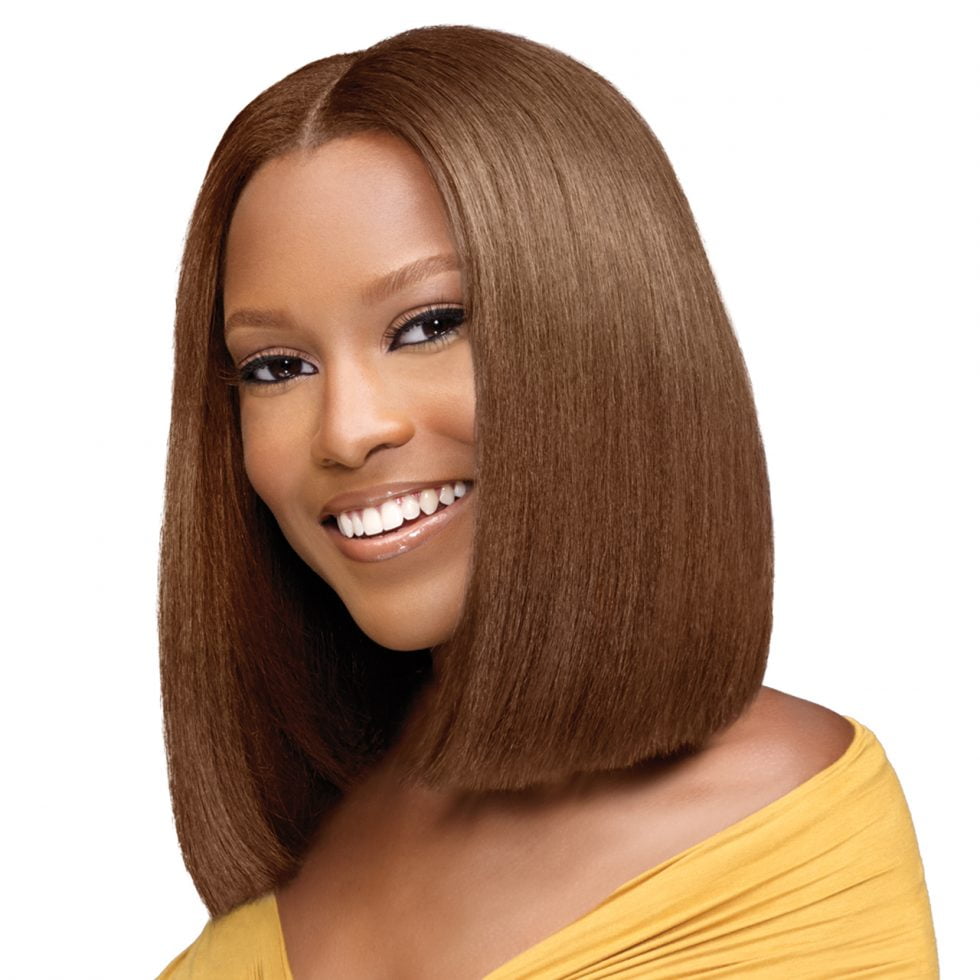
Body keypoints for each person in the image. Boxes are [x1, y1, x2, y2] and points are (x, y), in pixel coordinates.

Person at [156, 24, 938, 979]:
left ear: (610, 335)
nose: (348, 431)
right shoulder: (309, 855)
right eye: (277, 367)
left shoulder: (778, 831)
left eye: (429, 325)